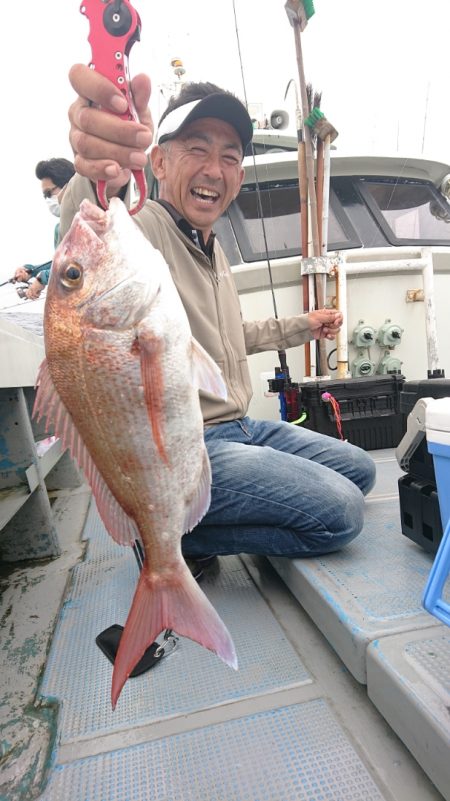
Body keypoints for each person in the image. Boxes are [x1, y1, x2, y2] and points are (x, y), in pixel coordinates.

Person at [62, 64, 376, 576]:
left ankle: (190, 522)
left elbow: (232, 339)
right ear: (158, 162)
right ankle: (168, 537)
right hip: (192, 441)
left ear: (239, 177)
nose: (214, 168)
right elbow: (89, 232)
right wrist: (100, 166)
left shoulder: (212, 246)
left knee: (359, 470)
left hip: (246, 427)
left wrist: (304, 325)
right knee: (340, 514)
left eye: (229, 156)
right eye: (197, 149)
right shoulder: (141, 231)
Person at [15, 158, 75, 299]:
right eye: (45, 195)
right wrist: (31, 270)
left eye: (49, 193)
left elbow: (83, 263)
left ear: (69, 185)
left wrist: (43, 278)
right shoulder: (60, 228)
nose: (48, 199)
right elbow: (60, 262)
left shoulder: (92, 220)